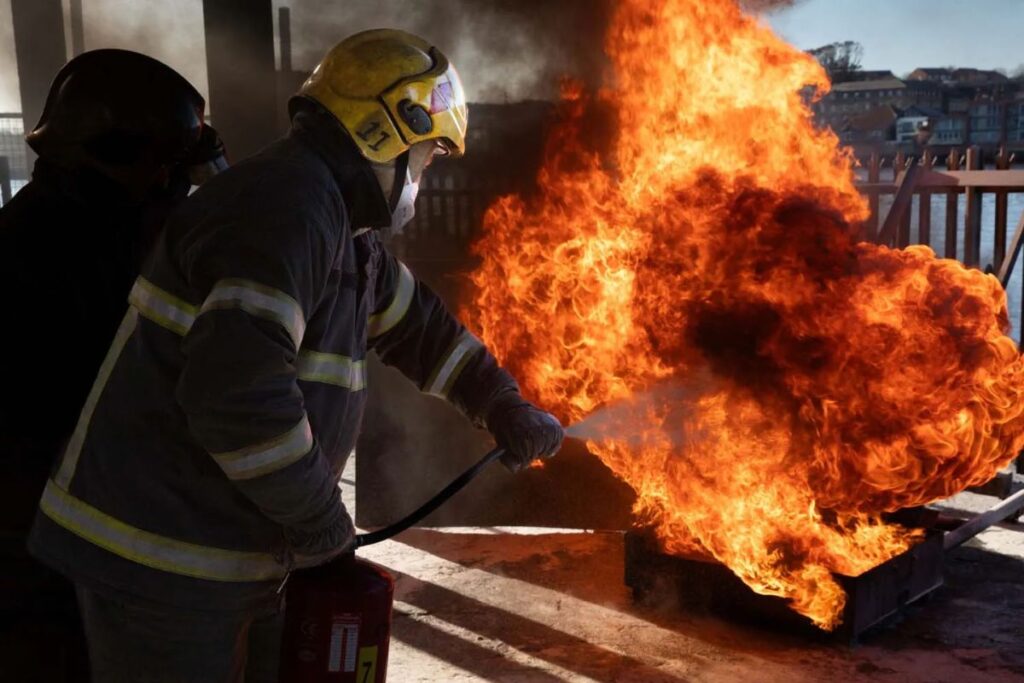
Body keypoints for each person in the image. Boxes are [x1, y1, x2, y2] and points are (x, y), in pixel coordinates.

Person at [27, 29, 564, 683]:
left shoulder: (339, 230)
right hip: (160, 558)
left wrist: (497, 400)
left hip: (223, 551)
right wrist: (321, 524)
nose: (423, 177)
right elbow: (238, 400)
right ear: (383, 134)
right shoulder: (284, 212)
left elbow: (419, 327)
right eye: (424, 157)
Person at [0, 49, 226, 682]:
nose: (174, 186)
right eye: (169, 170)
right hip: (43, 561)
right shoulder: (60, 254)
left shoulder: (88, 226)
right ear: (132, 163)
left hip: (70, 544)